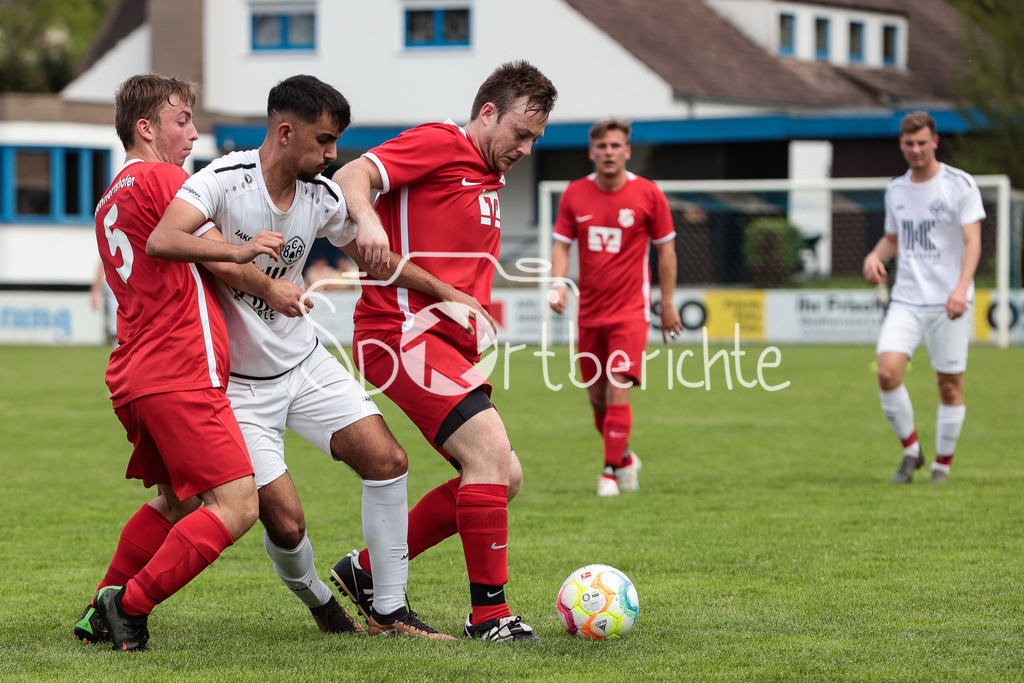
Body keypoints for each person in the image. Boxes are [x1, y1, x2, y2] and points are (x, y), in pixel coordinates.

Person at [149, 75, 484, 639]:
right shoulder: (223, 181)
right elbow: (163, 238)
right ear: (286, 132)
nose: (333, 155)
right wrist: (251, 270)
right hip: (237, 388)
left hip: (305, 365)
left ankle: (390, 613)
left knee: (388, 462)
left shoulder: (320, 195)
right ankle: (323, 604)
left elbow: (379, 261)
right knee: (286, 522)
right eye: (325, 141)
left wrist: (448, 294)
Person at [330, 60, 557, 642]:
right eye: (521, 134)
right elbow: (355, 172)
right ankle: (490, 616)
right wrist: (365, 220)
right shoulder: (440, 142)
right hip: (399, 332)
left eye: (535, 138)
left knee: (504, 476)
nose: (526, 148)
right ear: (488, 113)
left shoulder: (487, 174)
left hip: (444, 343)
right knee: (489, 452)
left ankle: (368, 568)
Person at [76, 73, 301, 652]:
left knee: (178, 502)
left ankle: (98, 610)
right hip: (178, 370)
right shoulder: (163, 177)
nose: (194, 134)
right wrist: (264, 278)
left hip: (138, 373)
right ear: (145, 129)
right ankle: (126, 605)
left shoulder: (109, 197)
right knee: (236, 504)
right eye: (182, 122)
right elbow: (218, 259)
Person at [547, 118, 683, 497]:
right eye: (602, 146)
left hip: (631, 311)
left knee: (618, 386)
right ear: (592, 152)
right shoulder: (574, 194)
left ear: (627, 151)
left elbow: (666, 251)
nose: (609, 152)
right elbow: (561, 244)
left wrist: (667, 303)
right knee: (597, 398)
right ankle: (625, 458)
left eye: (615, 145)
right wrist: (559, 285)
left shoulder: (649, 194)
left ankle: (609, 471)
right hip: (589, 312)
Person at [862, 111, 984, 484]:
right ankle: (911, 450)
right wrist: (873, 256)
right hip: (907, 300)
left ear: (935, 142)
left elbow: (973, 241)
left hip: (949, 301)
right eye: (909, 143)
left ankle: (942, 466)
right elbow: (893, 239)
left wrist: (961, 289)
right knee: (887, 372)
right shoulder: (896, 189)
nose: (916, 150)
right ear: (901, 144)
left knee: (949, 386)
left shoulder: (959, 185)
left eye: (922, 142)